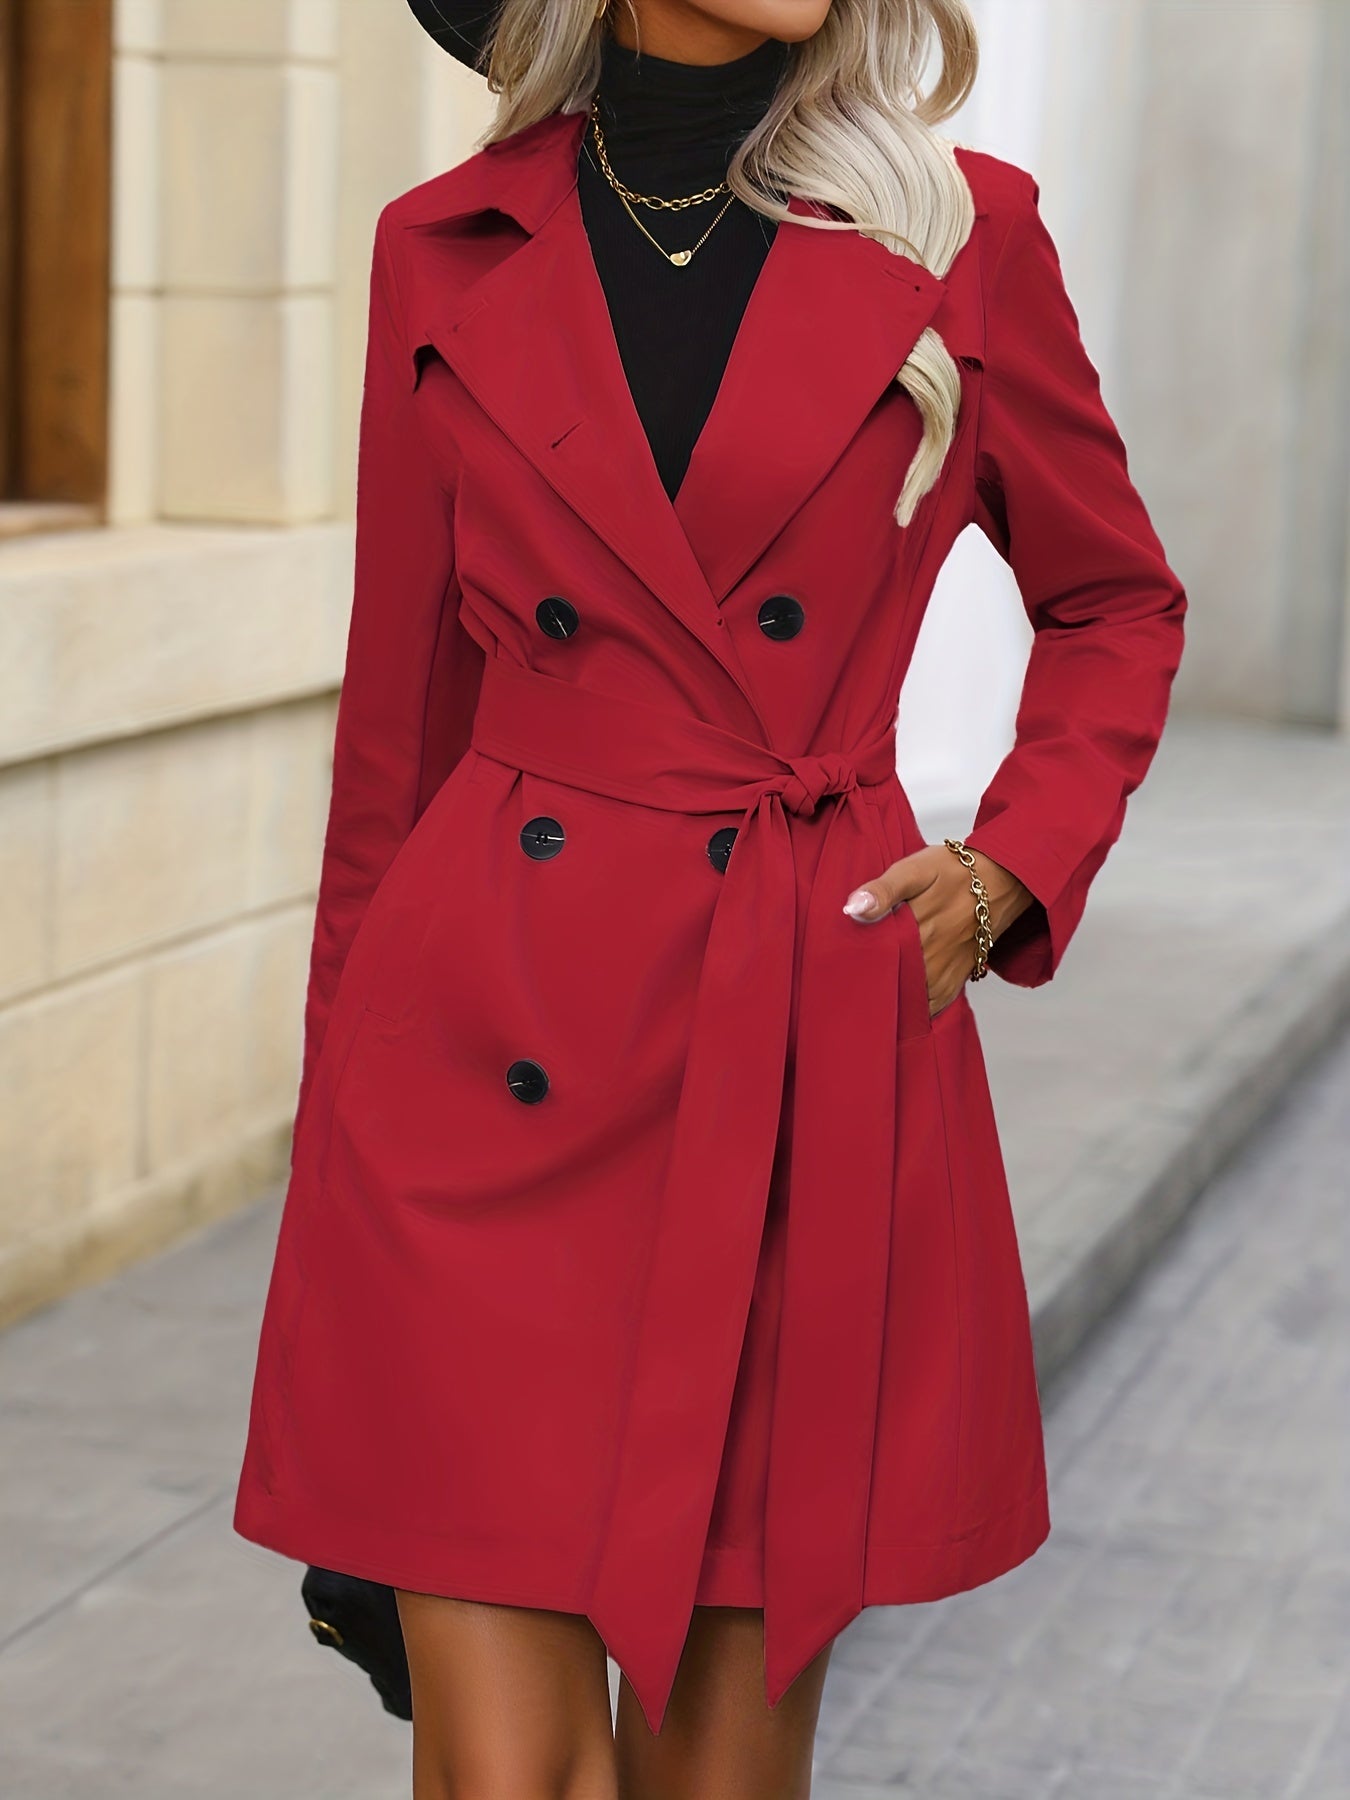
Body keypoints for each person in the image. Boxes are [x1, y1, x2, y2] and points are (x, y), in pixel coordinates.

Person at [233, 1, 1188, 1794]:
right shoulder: (443, 246)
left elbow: (1113, 601)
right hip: (473, 1070)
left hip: (795, 1057)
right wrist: (334, 1149)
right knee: (505, 1777)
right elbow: (398, 733)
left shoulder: (960, 230)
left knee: (714, 1780)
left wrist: (1006, 871)